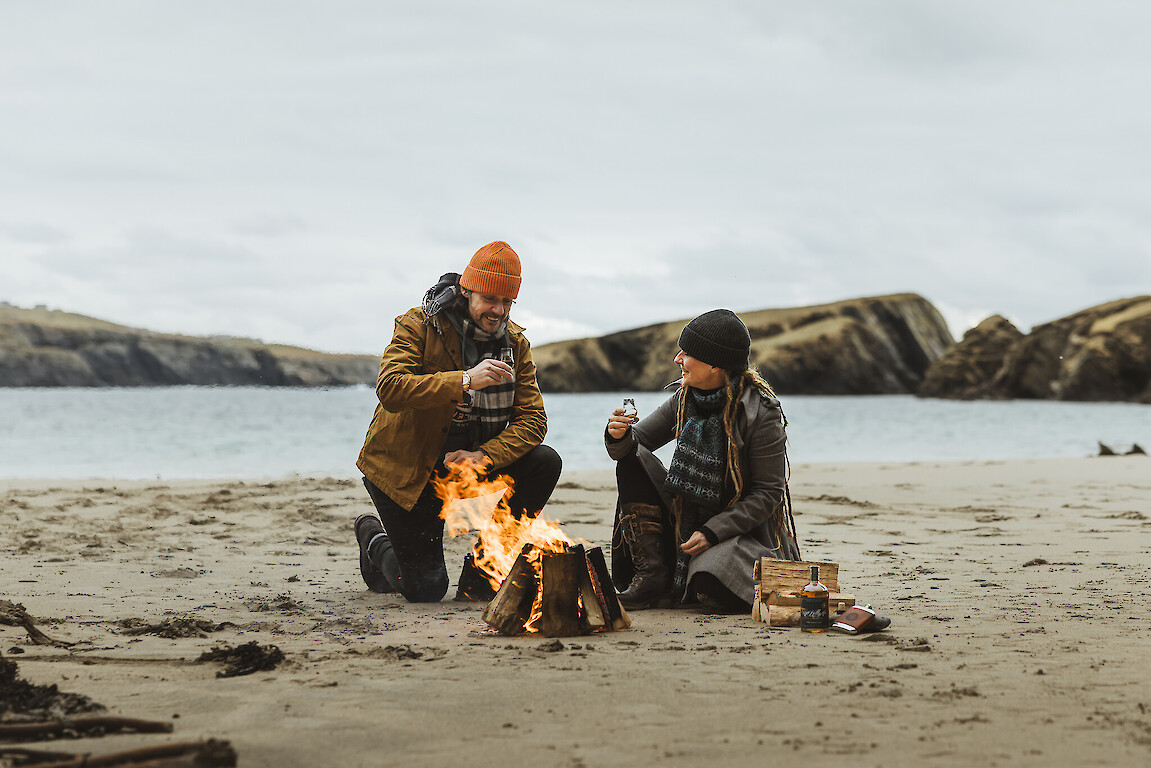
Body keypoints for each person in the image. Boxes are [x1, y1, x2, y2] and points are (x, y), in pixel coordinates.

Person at [353, 241, 562, 602]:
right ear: (466, 290)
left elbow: (533, 420)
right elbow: (390, 388)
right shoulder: (419, 324)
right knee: (425, 589)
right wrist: (465, 379)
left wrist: (485, 455)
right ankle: (373, 537)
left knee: (545, 461)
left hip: (462, 468)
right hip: (406, 472)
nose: (498, 311)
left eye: (507, 302)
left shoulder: (515, 345)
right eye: (490, 299)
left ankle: (484, 570)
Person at [605, 309, 800, 611]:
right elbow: (635, 446)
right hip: (683, 525)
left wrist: (713, 531)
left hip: (738, 534)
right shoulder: (683, 399)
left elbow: (768, 494)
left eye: (687, 353)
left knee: (708, 581)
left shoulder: (762, 412)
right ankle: (652, 577)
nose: (677, 359)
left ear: (714, 364)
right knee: (632, 457)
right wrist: (617, 435)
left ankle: (694, 575)